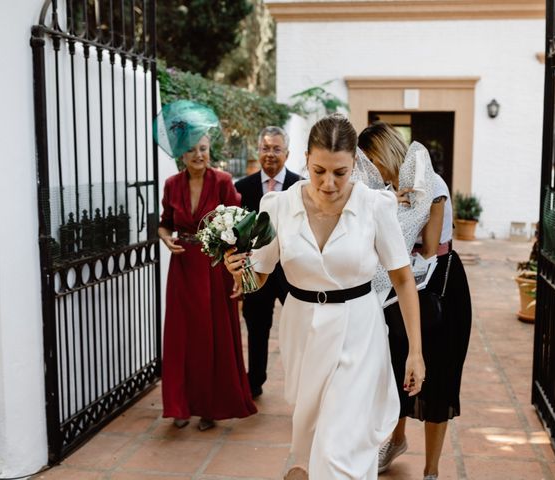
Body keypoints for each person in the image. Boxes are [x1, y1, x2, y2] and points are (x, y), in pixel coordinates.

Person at [224, 114, 425, 479]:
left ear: (354, 165)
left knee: (338, 445)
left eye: (340, 172)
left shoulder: (375, 206)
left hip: (359, 331)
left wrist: (415, 351)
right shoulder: (277, 206)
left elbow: (403, 279)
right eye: (318, 171)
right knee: (315, 439)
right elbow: (260, 277)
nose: (328, 183)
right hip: (302, 330)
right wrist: (239, 270)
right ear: (305, 158)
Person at [358, 122, 472, 480]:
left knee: (439, 377)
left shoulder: (431, 184)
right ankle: (396, 439)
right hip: (400, 289)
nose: (371, 168)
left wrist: (387, 212)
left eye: (373, 158)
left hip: (440, 286)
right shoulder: (385, 190)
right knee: (397, 368)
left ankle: (431, 471)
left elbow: (426, 246)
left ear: (388, 151)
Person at [156, 101, 256, 431]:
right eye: (192, 150)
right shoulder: (171, 185)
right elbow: (165, 222)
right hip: (183, 268)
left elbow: (240, 229)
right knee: (182, 336)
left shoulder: (224, 181)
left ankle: (211, 407)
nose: (199, 155)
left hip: (215, 267)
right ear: (182, 155)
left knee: (212, 336)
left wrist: (240, 271)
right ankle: (181, 405)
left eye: (204, 148)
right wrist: (165, 238)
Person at [233, 126, 301, 398]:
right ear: (257, 151)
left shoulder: (299, 186)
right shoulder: (241, 188)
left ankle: (301, 383)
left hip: (291, 271)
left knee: (299, 327)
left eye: (276, 149)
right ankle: (254, 383)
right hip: (256, 270)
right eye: (265, 148)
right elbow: (235, 233)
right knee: (256, 328)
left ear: (287, 153)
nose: (270, 154)